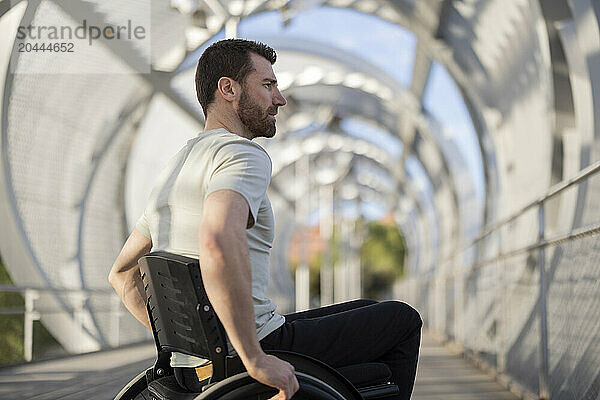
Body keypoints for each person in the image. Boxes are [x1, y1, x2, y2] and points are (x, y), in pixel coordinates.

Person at [108, 39, 422, 400]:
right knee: (402, 321)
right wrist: (255, 358)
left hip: (194, 365)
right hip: (251, 347)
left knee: (371, 310)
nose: (280, 99)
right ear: (228, 89)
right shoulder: (240, 153)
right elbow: (218, 239)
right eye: (268, 85)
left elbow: (120, 275)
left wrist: (188, 350)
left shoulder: (176, 168)